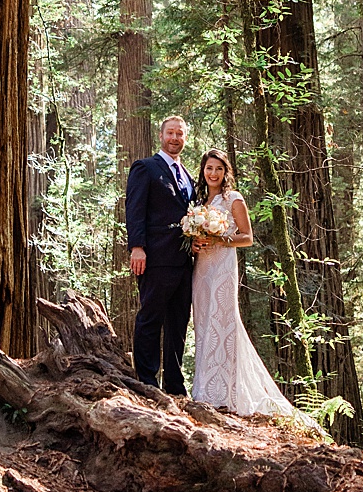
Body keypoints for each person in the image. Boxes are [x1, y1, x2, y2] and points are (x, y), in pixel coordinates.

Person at [188, 150, 301, 418]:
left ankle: (226, 392)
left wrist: (220, 240)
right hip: (202, 266)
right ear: (203, 171)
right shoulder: (201, 201)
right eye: (208, 168)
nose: (213, 173)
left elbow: (247, 237)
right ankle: (205, 389)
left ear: (226, 172)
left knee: (223, 320)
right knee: (204, 321)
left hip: (223, 265)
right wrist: (196, 242)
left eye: (218, 168)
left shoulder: (233, 199)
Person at [124, 113, 196, 391]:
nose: (175, 138)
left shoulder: (188, 175)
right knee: (151, 318)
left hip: (184, 261)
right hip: (154, 259)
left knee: (178, 324)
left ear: (185, 138)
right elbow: (135, 209)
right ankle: (147, 381)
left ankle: (175, 386)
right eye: (171, 133)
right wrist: (137, 247)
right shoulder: (146, 168)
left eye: (180, 134)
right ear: (161, 135)